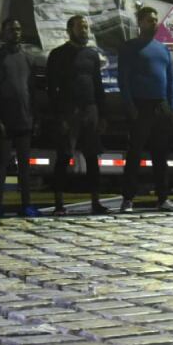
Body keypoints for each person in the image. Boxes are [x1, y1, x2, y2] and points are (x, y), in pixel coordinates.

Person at [118, 5, 173, 213]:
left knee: (161, 155)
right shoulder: (129, 47)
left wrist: (171, 106)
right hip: (140, 105)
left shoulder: (163, 49)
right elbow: (123, 80)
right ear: (140, 23)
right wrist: (130, 106)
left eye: (155, 20)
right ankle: (128, 199)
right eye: (149, 20)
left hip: (161, 106)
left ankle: (163, 198)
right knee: (135, 154)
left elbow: (171, 79)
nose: (154, 23)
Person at [46, 15, 111, 216]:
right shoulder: (58, 54)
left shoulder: (92, 55)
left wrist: (102, 115)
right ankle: (59, 204)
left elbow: (98, 86)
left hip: (90, 110)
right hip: (68, 111)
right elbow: (51, 88)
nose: (85, 30)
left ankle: (95, 202)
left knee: (92, 158)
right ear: (69, 29)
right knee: (64, 157)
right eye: (81, 27)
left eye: (86, 27)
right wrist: (59, 116)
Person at [0, 19, 36, 218]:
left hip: (24, 118)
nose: (15, 33)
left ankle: (27, 205)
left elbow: (31, 91)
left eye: (18, 29)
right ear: (3, 33)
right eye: (11, 30)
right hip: (5, 119)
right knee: (3, 164)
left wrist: (34, 116)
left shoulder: (28, 58)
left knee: (25, 166)